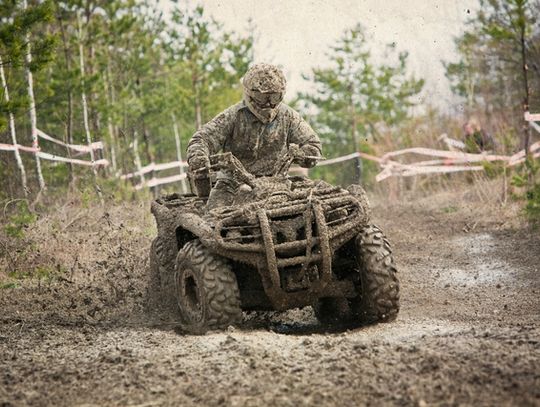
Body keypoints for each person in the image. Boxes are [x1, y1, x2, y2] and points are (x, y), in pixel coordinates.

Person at [187, 63, 322, 209]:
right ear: (249, 94)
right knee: (214, 217)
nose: (269, 104)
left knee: (308, 213)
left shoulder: (288, 117)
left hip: (276, 183)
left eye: (275, 97)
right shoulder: (233, 116)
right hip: (232, 184)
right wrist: (199, 157)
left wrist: (302, 154)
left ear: (282, 95)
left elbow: (313, 144)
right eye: (262, 97)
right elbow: (202, 139)